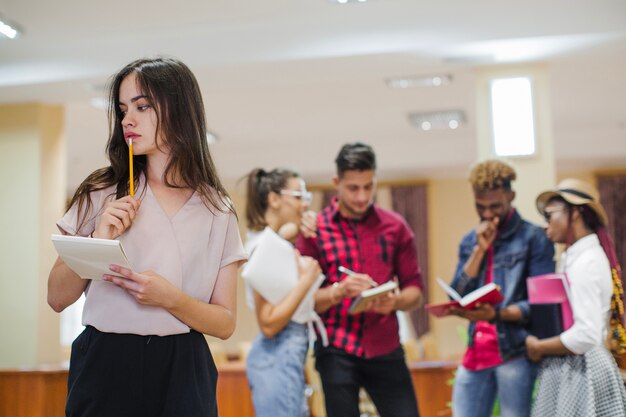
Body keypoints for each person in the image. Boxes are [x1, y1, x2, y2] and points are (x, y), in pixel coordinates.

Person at [47, 57, 247, 417]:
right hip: (105, 361)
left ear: (179, 109)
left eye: (142, 106)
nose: (127, 120)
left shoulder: (217, 208)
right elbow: (57, 298)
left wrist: (171, 299)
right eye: (123, 109)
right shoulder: (101, 192)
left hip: (185, 367)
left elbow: (225, 322)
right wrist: (99, 236)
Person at [296, 142, 423, 417]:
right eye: (353, 188)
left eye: (369, 186)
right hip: (336, 349)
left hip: (386, 345)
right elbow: (304, 303)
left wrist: (396, 301)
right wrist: (339, 291)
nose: (362, 196)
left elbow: (416, 291)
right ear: (336, 182)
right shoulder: (314, 230)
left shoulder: (396, 227)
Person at [449, 159, 555, 417]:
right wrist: (478, 252)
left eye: (495, 206)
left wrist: (496, 315)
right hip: (476, 352)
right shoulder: (470, 240)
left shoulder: (534, 238)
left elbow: (541, 304)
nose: (487, 215)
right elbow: (457, 293)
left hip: (515, 351)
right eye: (480, 206)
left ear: (511, 195)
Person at [526, 178, 626, 416]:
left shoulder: (586, 263)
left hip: (583, 366)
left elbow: (586, 335)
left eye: (550, 215)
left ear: (575, 213)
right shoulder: (578, 257)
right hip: (574, 364)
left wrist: (539, 346)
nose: (546, 224)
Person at [243, 168, 322, 417]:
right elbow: (268, 323)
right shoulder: (263, 247)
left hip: (285, 350)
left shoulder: (271, 242)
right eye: (298, 196)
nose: (304, 204)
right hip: (279, 349)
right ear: (274, 199)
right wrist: (306, 280)